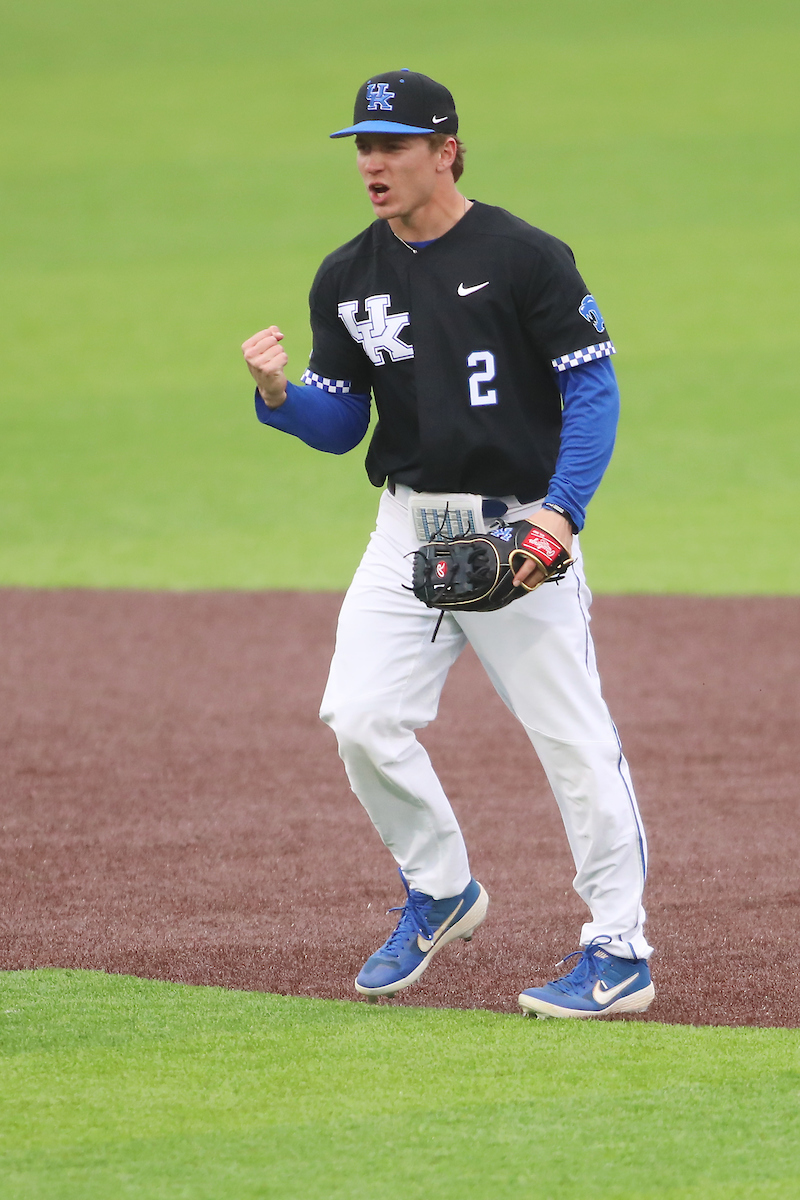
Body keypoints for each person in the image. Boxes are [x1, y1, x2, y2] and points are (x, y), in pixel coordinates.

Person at [242, 69, 654, 1018]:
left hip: (519, 525)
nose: (373, 164)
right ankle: (440, 887)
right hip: (411, 528)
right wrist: (277, 397)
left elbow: (592, 393)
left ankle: (619, 948)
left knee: (572, 741)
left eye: (391, 146)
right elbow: (342, 420)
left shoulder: (525, 256)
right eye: (362, 148)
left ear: (446, 151)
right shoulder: (346, 277)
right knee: (358, 714)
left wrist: (560, 513)